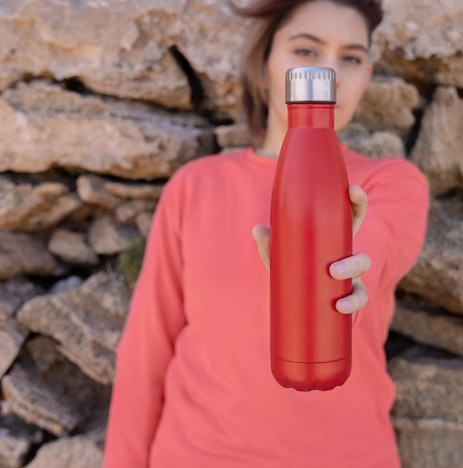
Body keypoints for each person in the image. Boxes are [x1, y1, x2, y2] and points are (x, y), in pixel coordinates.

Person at [103, 0, 429, 467]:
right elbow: (146, 353)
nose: (330, 71)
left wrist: (347, 269)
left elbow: (380, 243)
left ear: (367, 78)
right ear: (264, 67)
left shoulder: (391, 183)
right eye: (306, 49)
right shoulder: (195, 187)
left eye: (351, 57)